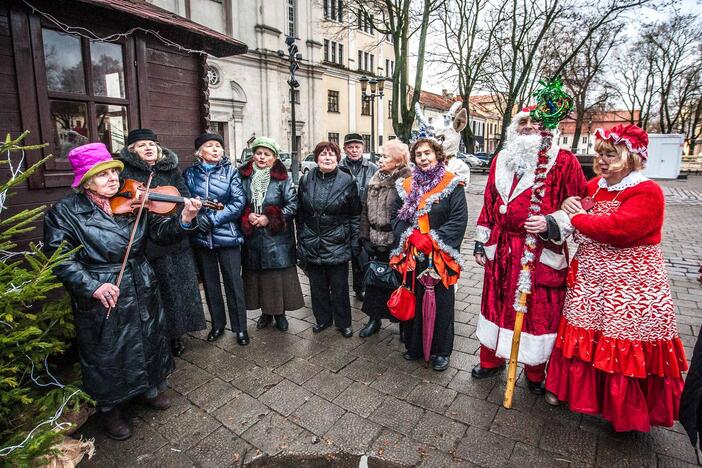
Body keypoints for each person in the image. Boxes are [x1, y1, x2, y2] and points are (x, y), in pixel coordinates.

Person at [43, 143, 202, 440]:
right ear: (86, 180)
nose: (113, 179)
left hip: (140, 279)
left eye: (114, 172)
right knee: (108, 351)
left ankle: (150, 389)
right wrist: (92, 286)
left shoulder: (134, 202)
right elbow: (59, 257)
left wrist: (185, 219)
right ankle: (111, 409)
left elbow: (162, 234)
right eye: (103, 176)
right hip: (104, 286)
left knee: (149, 336)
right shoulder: (65, 212)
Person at [545, 124, 688, 432]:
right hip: (592, 277)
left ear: (631, 158)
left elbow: (618, 230)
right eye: (600, 155)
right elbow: (578, 206)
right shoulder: (596, 185)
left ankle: (623, 410)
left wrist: (577, 216)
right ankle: (569, 391)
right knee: (585, 331)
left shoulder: (647, 191)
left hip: (630, 283)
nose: (602, 161)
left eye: (611, 155)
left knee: (623, 338)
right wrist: (569, 205)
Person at [472, 107, 587, 394]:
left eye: (534, 124)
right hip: (501, 250)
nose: (527, 128)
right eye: (522, 123)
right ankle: (491, 360)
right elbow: (488, 203)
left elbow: (579, 206)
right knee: (495, 304)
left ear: (547, 129)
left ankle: (535, 370)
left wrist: (551, 222)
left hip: (538, 252)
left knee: (537, 311)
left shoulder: (563, 162)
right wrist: (480, 240)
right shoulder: (501, 159)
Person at [118, 129, 206, 357]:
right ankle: (158, 335)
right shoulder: (125, 171)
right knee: (158, 293)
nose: (148, 148)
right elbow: (119, 201)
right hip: (146, 242)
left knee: (179, 290)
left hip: (174, 235)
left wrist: (181, 212)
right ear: (132, 151)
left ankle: (177, 334)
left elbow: (183, 194)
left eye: (151, 144)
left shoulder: (170, 168)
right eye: (141, 145)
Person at [390, 137, 468, 371]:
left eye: (428, 153)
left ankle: (441, 351)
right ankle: (414, 346)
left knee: (442, 304)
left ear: (438, 155)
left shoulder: (452, 184)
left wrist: (433, 239)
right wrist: (411, 236)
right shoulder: (406, 185)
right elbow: (395, 216)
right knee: (414, 297)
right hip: (413, 253)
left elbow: (459, 219)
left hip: (439, 256)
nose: (423, 158)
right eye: (419, 154)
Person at [183, 133, 249, 346]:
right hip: (201, 239)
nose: (215, 150)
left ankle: (240, 328)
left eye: (218, 147)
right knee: (211, 285)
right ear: (199, 152)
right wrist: (197, 220)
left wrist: (212, 220)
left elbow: (238, 203)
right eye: (210, 146)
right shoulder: (190, 174)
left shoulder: (231, 172)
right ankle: (218, 325)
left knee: (234, 284)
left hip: (227, 236)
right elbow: (185, 202)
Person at [238, 136, 304, 331]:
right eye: (258, 153)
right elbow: (239, 200)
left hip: (276, 236)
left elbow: (292, 204)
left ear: (274, 158)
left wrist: (270, 217)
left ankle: (280, 314)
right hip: (253, 236)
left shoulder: (283, 178)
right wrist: (247, 215)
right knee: (257, 276)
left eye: (267, 154)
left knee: (276, 277)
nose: (261, 157)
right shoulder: (244, 175)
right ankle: (266, 314)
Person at [297, 141, 362, 337]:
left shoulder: (347, 181)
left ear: (337, 158)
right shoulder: (306, 180)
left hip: (337, 241)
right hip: (312, 241)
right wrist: (301, 239)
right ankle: (323, 319)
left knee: (339, 286)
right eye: (323, 154)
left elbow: (355, 215)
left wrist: (353, 242)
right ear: (316, 158)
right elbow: (300, 214)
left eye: (331, 155)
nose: (327, 158)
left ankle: (344, 323)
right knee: (317, 286)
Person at [357, 139, 412, 338]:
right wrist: (365, 238)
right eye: (380, 156)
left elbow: (408, 215)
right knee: (374, 282)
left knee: (399, 283)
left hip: (395, 242)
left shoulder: (406, 181)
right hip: (374, 239)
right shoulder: (375, 178)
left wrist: (399, 242)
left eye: (385, 156)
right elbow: (364, 210)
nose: (380, 160)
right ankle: (374, 319)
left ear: (398, 161)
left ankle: (403, 324)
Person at [339, 133, 378, 300]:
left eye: (357, 147)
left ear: (363, 148)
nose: (354, 150)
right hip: (342, 216)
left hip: (364, 217)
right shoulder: (339, 166)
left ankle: (360, 288)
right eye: (350, 147)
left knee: (361, 254)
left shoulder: (372, 168)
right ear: (345, 149)